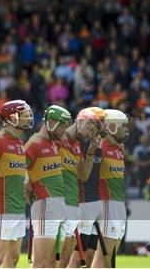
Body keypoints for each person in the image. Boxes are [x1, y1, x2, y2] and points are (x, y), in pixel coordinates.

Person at [55, 108, 103, 267]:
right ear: (81, 121)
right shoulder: (58, 138)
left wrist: (90, 153)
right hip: (56, 203)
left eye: (93, 131)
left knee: (65, 259)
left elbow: (83, 176)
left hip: (72, 203)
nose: (90, 133)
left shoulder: (77, 146)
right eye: (90, 128)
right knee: (49, 259)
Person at [25, 105, 71, 268]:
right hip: (45, 204)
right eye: (62, 126)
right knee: (41, 262)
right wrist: (26, 187)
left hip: (57, 204)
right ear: (51, 122)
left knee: (52, 262)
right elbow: (17, 168)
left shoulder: (52, 143)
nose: (64, 131)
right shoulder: (34, 143)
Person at [0, 100, 33, 268]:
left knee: (13, 258)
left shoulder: (18, 142)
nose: (29, 118)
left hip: (17, 207)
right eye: (25, 115)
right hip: (1, 207)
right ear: (12, 118)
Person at [92, 109, 130, 268]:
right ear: (112, 127)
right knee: (103, 259)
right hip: (106, 204)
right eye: (124, 126)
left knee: (110, 259)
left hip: (118, 204)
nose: (127, 129)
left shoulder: (119, 148)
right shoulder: (100, 148)